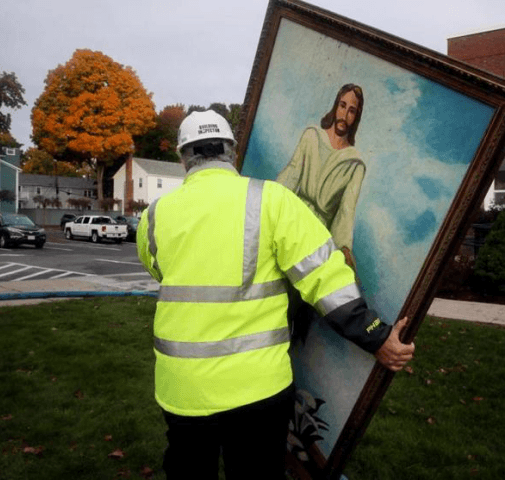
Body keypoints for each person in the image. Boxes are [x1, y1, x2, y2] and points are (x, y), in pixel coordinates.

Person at [136, 109, 414, 480]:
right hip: (257, 390)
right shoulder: (271, 200)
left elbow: (161, 271)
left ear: (182, 156)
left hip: (182, 389)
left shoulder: (155, 215)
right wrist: (377, 336)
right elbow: (326, 280)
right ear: (232, 152)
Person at [277, 84, 365, 268]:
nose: (344, 115)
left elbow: (346, 212)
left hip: (319, 237)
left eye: (351, 111)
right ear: (335, 106)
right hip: (293, 221)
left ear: (356, 117)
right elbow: (290, 177)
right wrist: (269, 202)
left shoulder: (355, 163)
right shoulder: (312, 136)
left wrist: (344, 249)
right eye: (342, 106)